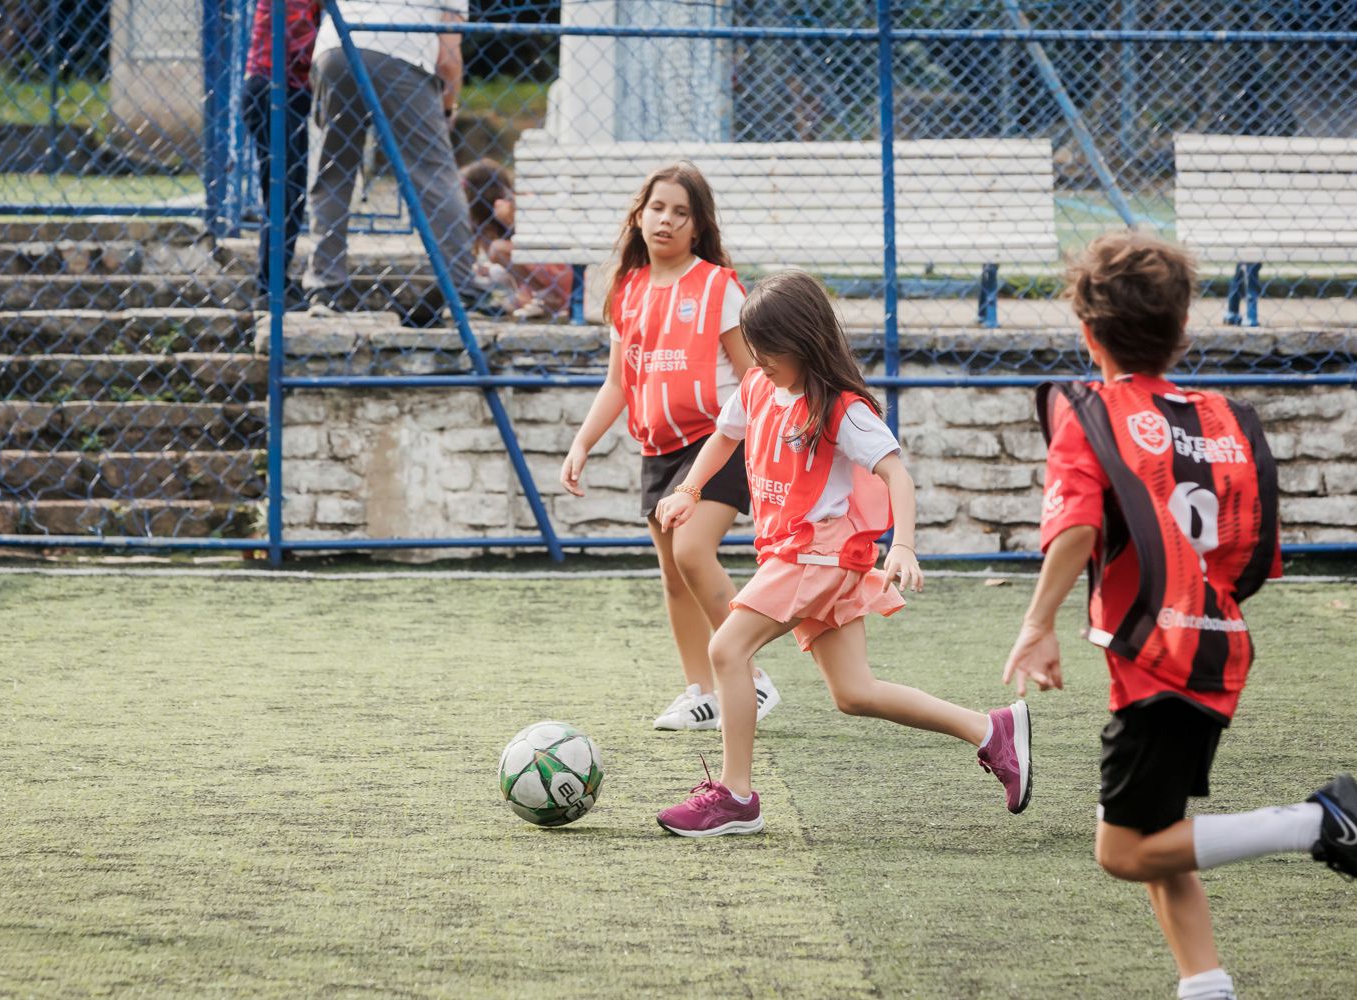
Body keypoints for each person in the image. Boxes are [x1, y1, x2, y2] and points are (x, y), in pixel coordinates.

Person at [1001, 230, 1357, 1000]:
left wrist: (1038, 624)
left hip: (1157, 663)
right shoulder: (1219, 419)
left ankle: (1318, 822)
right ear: (1183, 332)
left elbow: (1076, 528)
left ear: (1086, 332)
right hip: (1215, 646)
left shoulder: (1092, 414)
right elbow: (1252, 551)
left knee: (1123, 853)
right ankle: (1206, 985)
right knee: (1162, 844)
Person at [653, 270, 1033, 836]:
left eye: (769, 350)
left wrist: (903, 544)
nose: (757, 361)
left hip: (817, 556)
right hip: (798, 556)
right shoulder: (758, 386)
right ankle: (990, 730)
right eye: (753, 350)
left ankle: (735, 796)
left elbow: (896, 476)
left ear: (805, 342)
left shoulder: (842, 409)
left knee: (728, 648)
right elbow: (725, 436)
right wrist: (688, 488)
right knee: (854, 693)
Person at [560, 162, 780, 732]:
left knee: (691, 550)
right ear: (639, 215)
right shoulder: (626, 291)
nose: (667, 219)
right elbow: (618, 382)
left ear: (697, 226)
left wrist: (771, 440)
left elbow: (751, 375)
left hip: (717, 439)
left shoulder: (717, 286)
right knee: (673, 573)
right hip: (657, 446)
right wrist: (582, 443)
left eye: (681, 212)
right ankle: (699, 691)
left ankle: (752, 677)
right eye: (658, 207)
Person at [305, 0, 492, 324]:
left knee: (334, 171)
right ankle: (463, 288)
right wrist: (447, 108)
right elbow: (448, 59)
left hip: (334, 47)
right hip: (401, 50)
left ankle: (325, 287)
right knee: (433, 173)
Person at [239, 0, 322, 311]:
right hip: (271, 90)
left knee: (291, 193)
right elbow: (300, 42)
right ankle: (270, 287)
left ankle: (276, 283)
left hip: (286, 93)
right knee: (282, 192)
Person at [459, 158, 573, 320]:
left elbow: (535, 242)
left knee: (497, 251)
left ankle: (545, 296)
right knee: (495, 266)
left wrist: (509, 220)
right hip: (551, 274)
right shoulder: (485, 224)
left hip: (553, 268)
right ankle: (536, 298)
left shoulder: (517, 203)